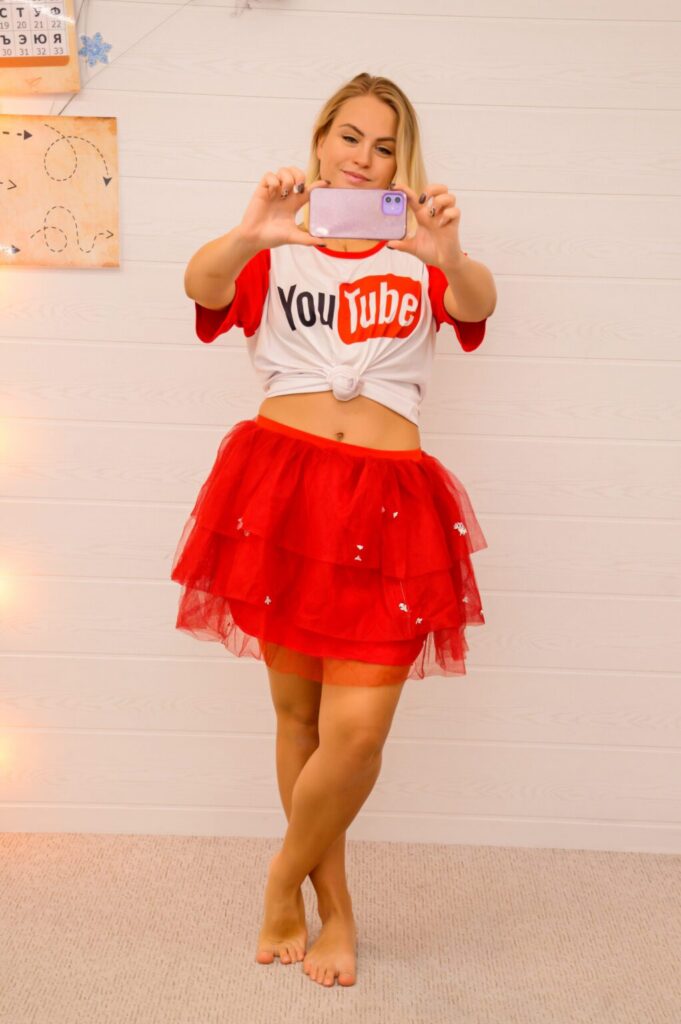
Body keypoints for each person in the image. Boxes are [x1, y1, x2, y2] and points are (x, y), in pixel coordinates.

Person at [172, 72, 497, 988]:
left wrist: (449, 253)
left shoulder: (419, 249)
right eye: (350, 136)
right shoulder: (278, 243)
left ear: (402, 161)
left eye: (384, 146)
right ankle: (334, 907)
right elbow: (199, 286)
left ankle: (281, 878)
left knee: (356, 735)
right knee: (299, 716)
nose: (364, 156)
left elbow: (476, 306)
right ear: (320, 141)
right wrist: (252, 231)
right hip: (284, 492)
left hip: (390, 502)